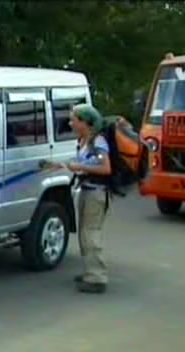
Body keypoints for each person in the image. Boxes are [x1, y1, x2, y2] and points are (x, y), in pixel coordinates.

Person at [64, 104, 112, 294]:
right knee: (85, 233)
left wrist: (80, 167)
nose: (71, 123)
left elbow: (106, 168)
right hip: (87, 190)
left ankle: (97, 278)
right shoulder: (84, 140)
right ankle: (90, 272)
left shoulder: (98, 142)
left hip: (97, 193)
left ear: (84, 122)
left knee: (91, 233)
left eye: (74, 120)